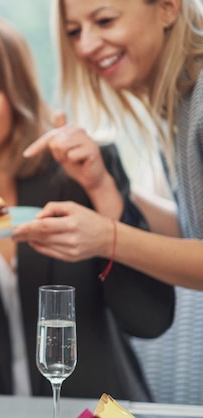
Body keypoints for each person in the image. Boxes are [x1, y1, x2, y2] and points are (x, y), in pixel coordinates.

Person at [0, 16, 174, 401]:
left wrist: (101, 189)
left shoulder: (78, 172)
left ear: (17, 94)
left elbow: (149, 319)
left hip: (97, 408)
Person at [13, 0, 203, 289]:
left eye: (105, 21)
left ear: (167, 7)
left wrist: (108, 238)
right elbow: (188, 232)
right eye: (74, 31)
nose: (85, 46)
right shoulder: (179, 105)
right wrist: (101, 182)